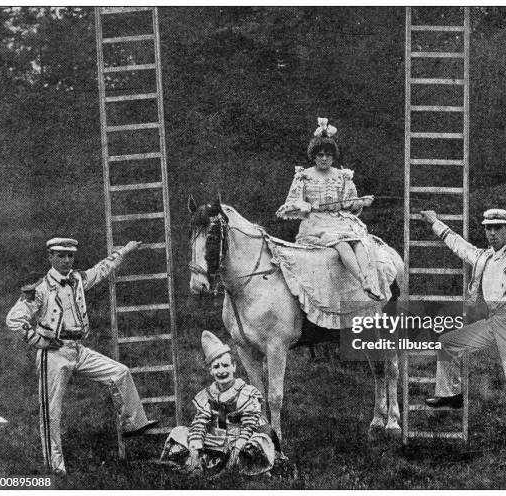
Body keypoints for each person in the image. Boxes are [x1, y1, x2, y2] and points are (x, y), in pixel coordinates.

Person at [6, 237, 158, 475]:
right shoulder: (40, 288)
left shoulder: (77, 279)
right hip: (53, 354)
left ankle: (132, 423)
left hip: (78, 348)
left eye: (70, 256)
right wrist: (40, 341)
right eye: (61, 256)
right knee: (52, 411)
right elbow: (14, 320)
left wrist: (126, 251)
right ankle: (55, 470)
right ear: (50, 257)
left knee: (120, 372)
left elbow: (102, 269)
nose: (67, 260)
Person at [419, 208, 506, 454]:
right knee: (447, 342)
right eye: (489, 227)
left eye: (498, 227)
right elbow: (458, 244)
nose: (493, 232)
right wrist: (435, 222)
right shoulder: (483, 257)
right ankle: (451, 394)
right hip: (492, 321)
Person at [276, 117, 380, 300]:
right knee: (340, 244)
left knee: (357, 241)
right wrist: (304, 205)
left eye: (328, 155)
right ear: (314, 156)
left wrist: (362, 202)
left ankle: (370, 281)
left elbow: (349, 203)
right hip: (316, 223)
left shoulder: (342, 176)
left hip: (338, 220)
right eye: (320, 155)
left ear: (333, 156)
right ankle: (363, 281)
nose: (324, 158)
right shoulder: (304, 176)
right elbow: (291, 204)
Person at [160, 331, 275, 476]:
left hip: (238, 441)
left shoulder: (246, 392)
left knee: (259, 442)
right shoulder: (208, 394)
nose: (221, 371)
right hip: (212, 442)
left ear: (234, 367)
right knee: (179, 432)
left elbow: (249, 425)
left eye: (225, 365)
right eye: (216, 367)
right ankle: (197, 462)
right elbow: (199, 423)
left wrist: (237, 447)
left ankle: (239, 465)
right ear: (210, 371)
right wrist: (195, 448)